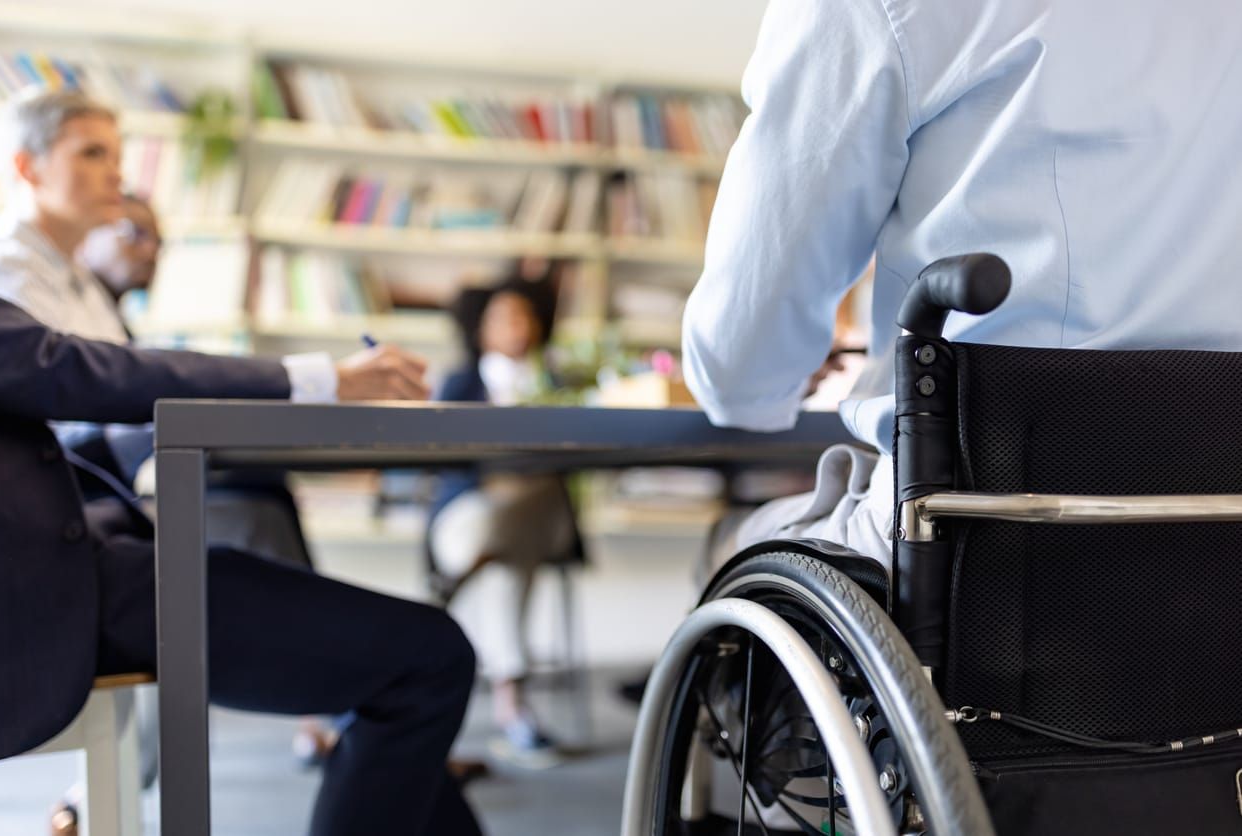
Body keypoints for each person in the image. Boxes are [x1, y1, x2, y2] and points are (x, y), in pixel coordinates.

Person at [683, 0, 1242, 569]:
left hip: (977, 552)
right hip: (1220, 555)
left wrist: (759, 393)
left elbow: (744, 350)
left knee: (731, 542)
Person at [0, 292, 483, 836]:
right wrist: (320, 379)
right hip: (47, 599)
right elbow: (72, 368)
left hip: (77, 567)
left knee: (417, 665)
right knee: (428, 659)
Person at [428, 275, 582, 767]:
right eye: (503, 317)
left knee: (529, 498)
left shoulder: (559, 384)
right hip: (469, 516)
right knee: (503, 568)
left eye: (524, 315)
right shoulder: (459, 384)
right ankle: (513, 706)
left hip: (540, 515)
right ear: (479, 329)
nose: (516, 326)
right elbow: (435, 456)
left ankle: (454, 577)